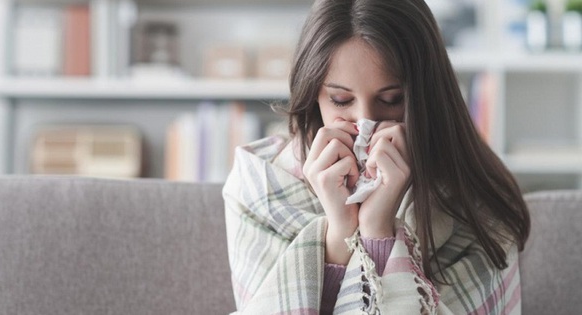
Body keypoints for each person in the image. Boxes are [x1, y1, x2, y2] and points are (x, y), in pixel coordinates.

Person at [223, 0, 530, 314]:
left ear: (426, 95)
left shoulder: (474, 198)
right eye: (340, 100)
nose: (365, 122)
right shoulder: (259, 186)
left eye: (391, 99)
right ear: (313, 93)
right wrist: (339, 233)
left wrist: (377, 230)